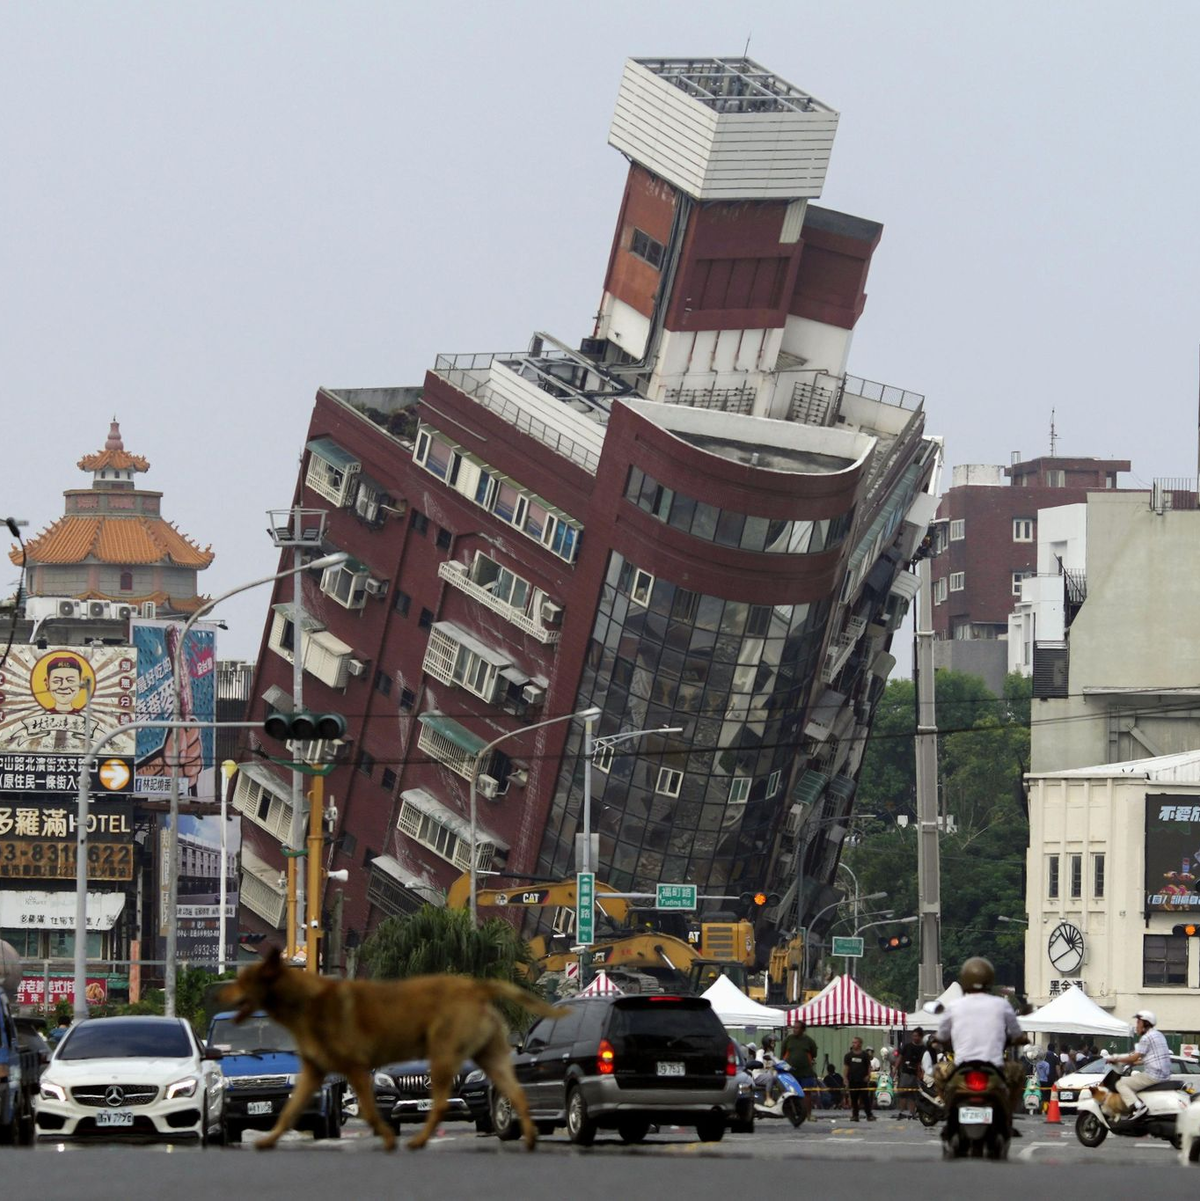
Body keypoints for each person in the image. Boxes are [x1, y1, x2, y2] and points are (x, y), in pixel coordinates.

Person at [934, 957, 1029, 1133]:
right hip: (994, 1068)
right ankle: (1008, 1116)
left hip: (961, 1068)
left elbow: (941, 1035)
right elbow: (1017, 1033)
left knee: (938, 1071)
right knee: (1019, 1072)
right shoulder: (1002, 1005)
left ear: (965, 979)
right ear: (989, 979)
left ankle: (948, 1110)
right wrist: (1020, 1039)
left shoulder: (954, 1006)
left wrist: (938, 1040)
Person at [1108, 1009, 1171, 1120]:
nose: (1136, 1026)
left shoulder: (1146, 1037)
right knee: (1135, 1079)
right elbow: (1151, 1058)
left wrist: (1116, 1058)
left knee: (1121, 1083)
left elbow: (1134, 1057)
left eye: (1138, 1022)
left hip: (1153, 1075)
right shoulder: (1159, 1035)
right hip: (1164, 1075)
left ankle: (1138, 1107)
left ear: (1145, 1023)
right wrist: (1135, 1063)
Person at [781, 1020, 819, 1118]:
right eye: (794, 1027)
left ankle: (808, 1114)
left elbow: (814, 1053)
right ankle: (794, 1114)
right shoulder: (788, 1040)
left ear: (803, 1029)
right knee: (792, 1094)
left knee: (807, 1093)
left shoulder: (809, 1041)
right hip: (791, 1073)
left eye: (797, 1028)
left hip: (806, 1072)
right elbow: (783, 1053)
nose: (794, 1029)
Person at [895, 1027, 925, 1119]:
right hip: (906, 1072)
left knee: (913, 1095)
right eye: (913, 1036)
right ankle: (901, 1112)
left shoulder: (923, 1048)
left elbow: (922, 1062)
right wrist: (895, 1068)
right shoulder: (907, 1046)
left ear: (921, 1037)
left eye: (916, 1036)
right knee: (903, 1093)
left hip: (915, 1074)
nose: (915, 1038)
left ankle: (912, 1113)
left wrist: (921, 1073)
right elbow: (900, 1057)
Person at [844, 1035, 875, 1121]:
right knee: (853, 1098)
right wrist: (845, 1078)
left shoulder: (865, 1055)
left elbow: (869, 1066)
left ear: (860, 1044)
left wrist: (868, 1076)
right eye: (853, 1042)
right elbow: (846, 1067)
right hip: (852, 1080)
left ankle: (869, 1115)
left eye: (855, 1042)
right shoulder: (848, 1056)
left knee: (865, 1098)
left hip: (862, 1080)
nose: (853, 1044)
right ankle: (855, 1115)